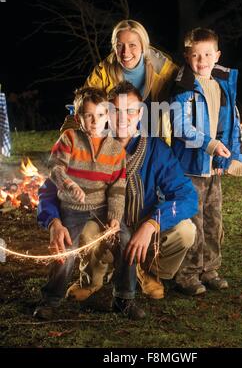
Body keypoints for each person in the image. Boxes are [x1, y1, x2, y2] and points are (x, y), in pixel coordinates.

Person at [36, 81, 198, 320]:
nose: (123, 119)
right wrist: (53, 223)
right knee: (82, 234)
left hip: (140, 225)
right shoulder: (82, 143)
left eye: (131, 111)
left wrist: (152, 224)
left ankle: (146, 274)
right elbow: (49, 190)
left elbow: (187, 196)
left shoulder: (155, 150)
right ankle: (90, 279)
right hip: (97, 217)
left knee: (185, 231)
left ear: (141, 113)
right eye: (115, 111)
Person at [33, 87, 126, 319]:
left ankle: (125, 297)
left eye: (101, 115)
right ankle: (51, 299)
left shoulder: (116, 149)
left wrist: (115, 215)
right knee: (66, 250)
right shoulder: (70, 139)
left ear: (108, 116)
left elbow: (117, 186)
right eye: (89, 116)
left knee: (125, 240)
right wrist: (68, 184)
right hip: (72, 208)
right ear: (79, 118)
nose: (95, 121)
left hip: (101, 207)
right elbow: (55, 168)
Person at [170, 27, 242, 296]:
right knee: (195, 223)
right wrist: (210, 145)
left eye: (206, 54)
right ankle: (188, 274)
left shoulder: (224, 87)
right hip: (191, 169)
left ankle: (210, 269)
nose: (201, 60)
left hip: (214, 169)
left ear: (217, 55)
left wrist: (237, 156)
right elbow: (180, 128)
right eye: (195, 55)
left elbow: (233, 124)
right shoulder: (183, 89)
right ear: (187, 56)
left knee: (214, 220)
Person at [62, 19, 178, 143]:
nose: (125, 52)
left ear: (143, 46)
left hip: (156, 138)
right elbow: (82, 106)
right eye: (119, 45)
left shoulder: (164, 70)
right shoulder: (103, 72)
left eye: (132, 45)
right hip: (116, 140)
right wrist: (69, 135)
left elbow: (188, 92)